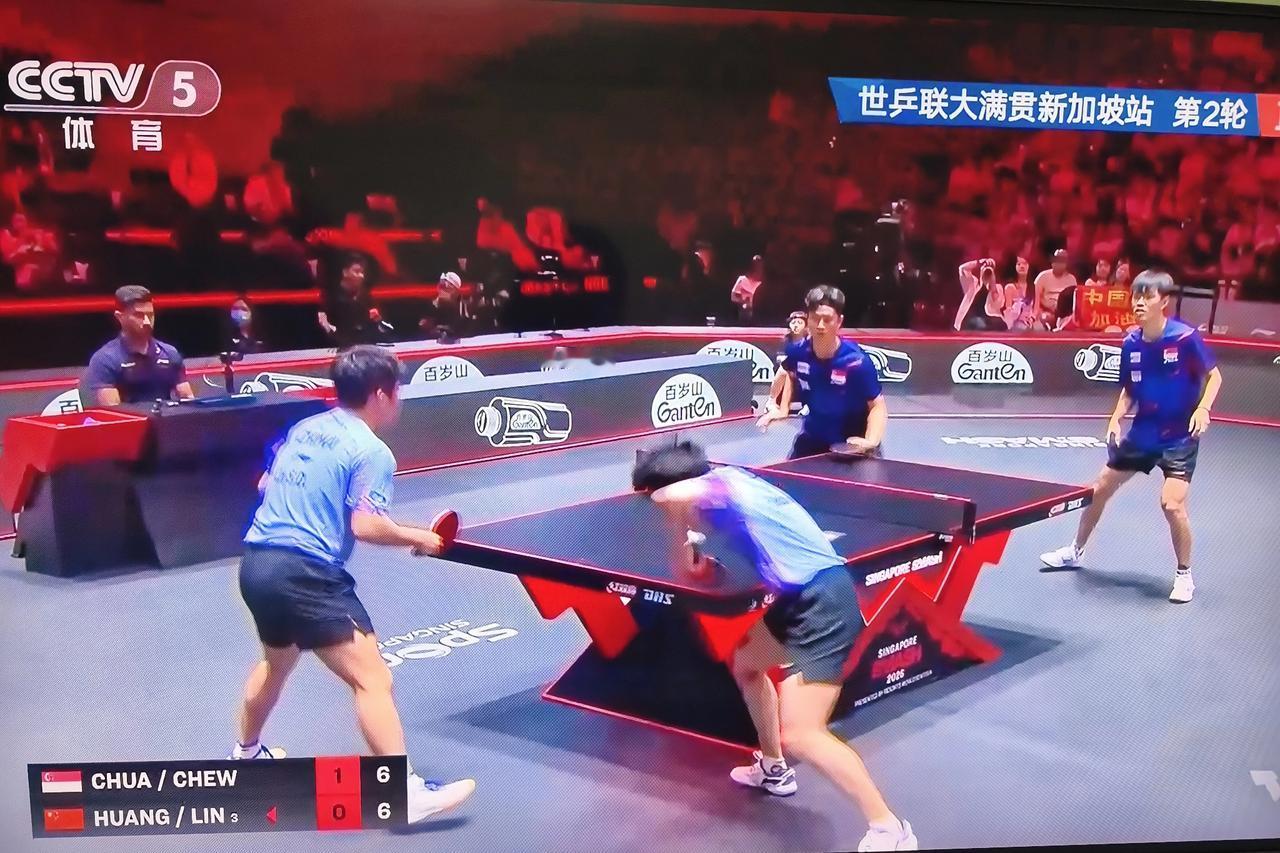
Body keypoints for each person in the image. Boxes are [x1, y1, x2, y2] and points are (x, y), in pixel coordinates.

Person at [633, 442, 918, 852]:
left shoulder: (721, 487)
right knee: (746, 664)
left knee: (802, 734)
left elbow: (678, 493)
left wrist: (665, 505)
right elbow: (691, 571)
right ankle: (773, 768)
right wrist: (684, 534)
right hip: (797, 598)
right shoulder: (719, 491)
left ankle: (890, 829)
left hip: (823, 602)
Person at [231, 346, 475, 822]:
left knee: (276, 664)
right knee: (372, 679)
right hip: (305, 574)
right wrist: (419, 537)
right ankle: (405, 793)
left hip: (257, 564)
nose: (399, 398)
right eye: (397, 390)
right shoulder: (372, 451)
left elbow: (265, 485)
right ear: (381, 394)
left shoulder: (306, 427)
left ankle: (246, 755)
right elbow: (366, 526)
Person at [1040, 271, 1223, 603]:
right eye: (1136, 296)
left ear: (1163, 301)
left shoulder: (1185, 338)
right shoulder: (1130, 343)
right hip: (1143, 433)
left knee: (1171, 503)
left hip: (1179, 437)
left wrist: (1204, 409)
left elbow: (1215, 376)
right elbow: (1129, 388)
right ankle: (1075, 551)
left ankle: (1184, 575)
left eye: (1146, 296)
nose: (1138, 303)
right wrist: (1115, 417)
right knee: (1099, 489)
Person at [757, 286, 887, 460]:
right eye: (815, 318)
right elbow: (788, 374)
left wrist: (870, 441)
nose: (820, 326)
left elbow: (877, 406)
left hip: (853, 442)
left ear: (839, 321)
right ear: (808, 320)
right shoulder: (798, 352)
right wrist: (782, 408)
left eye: (827, 320)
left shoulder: (857, 362)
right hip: (813, 438)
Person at [82, 285, 196, 405]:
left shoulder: (170, 353)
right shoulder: (105, 359)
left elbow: (189, 402)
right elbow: (113, 410)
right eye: (138, 315)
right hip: (129, 417)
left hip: (165, 416)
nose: (147, 321)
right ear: (120, 317)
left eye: (150, 315)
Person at [318, 255, 386, 348]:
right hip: (336, 348)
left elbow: (383, 331)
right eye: (357, 272)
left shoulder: (365, 297)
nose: (361, 276)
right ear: (345, 272)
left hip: (366, 347)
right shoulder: (330, 297)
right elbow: (326, 329)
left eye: (362, 272)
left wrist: (378, 321)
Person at [953, 257, 1008, 331]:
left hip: (993, 326)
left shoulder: (998, 288)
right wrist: (978, 262)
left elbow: (997, 305)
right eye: (985, 266)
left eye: (991, 267)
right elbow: (962, 268)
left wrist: (992, 283)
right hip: (971, 326)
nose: (987, 270)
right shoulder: (973, 283)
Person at [418, 271, 475, 340]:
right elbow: (424, 326)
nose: (442, 289)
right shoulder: (433, 305)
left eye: (445, 287)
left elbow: (466, 330)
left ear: (454, 291)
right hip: (432, 341)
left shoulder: (463, 307)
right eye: (441, 286)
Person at [1033, 249, 1078, 329]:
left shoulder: (1072, 279)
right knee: (1045, 319)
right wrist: (1039, 313)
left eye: (1062, 261)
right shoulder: (1042, 276)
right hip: (1047, 312)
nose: (1058, 263)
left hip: (1064, 315)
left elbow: (1074, 301)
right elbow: (1036, 301)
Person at [730, 255, 766, 324]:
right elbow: (733, 297)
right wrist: (744, 302)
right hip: (744, 316)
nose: (757, 268)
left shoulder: (764, 283)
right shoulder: (742, 280)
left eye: (759, 265)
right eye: (755, 265)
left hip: (760, 317)